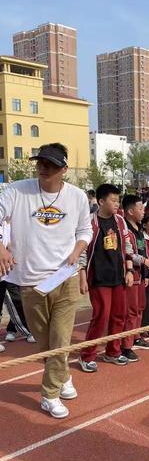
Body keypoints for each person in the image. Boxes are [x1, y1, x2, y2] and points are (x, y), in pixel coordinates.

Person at [0, 143, 92, 419]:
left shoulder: (77, 197)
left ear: (64, 169)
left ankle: (49, 394)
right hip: (30, 282)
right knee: (43, 342)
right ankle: (61, 374)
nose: (43, 168)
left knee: (61, 339)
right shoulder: (15, 191)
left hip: (65, 278)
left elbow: (85, 229)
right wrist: (2, 248)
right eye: (40, 162)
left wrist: (77, 251)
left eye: (50, 165)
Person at [78, 184, 134, 372]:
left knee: (119, 316)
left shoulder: (120, 221)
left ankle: (113, 351)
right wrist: (83, 277)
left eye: (118, 200)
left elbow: (127, 246)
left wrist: (129, 270)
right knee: (101, 316)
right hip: (99, 278)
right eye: (113, 200)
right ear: (101, 201)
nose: (117, 204)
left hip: (118, 276)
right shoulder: (90, 222)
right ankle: (87, 355)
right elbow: (83, 253)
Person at [122, 194, 149, 359]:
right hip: (131, 274)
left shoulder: (138, 230)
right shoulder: (126, 230)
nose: (143, 212)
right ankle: (126, 345)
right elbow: (129, 252)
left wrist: (146, 273)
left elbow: (142, 249)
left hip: (141, 275)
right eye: (140, 209)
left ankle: (136, 336)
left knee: (140, 307)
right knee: (131, 310)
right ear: (130, 211)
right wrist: (143, 261)